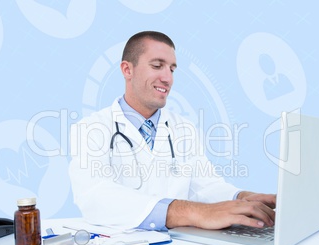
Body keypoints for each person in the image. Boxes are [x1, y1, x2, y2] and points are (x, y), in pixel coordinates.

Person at [69, 31, 276, 231]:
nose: (168, 79)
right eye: (157, 66)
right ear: (127, 70)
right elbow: (94, 195)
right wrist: (189, 212)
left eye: (172, 69)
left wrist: (240, 198)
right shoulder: (90, 129)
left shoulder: (184, 129)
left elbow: (204, 186)